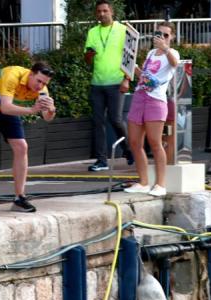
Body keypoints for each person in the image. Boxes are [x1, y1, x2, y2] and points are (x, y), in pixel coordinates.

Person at [0, 62, 56, 214]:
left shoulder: (42, 89)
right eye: (38, 81)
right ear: (31, 74)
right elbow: (6, 107)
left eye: (44, 83)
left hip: (4, 108)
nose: (40, 86)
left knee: (22, 147)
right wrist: (32, 109)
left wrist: (51, 109)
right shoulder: (12, 76)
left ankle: (19, 197)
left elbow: (47, 117)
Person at [123, 22, 179, 197]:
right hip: (140, 96)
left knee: (155, 142)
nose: (161, 38)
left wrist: (165, 48)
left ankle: (160, 184)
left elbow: (175, 63)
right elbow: (145, 78)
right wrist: (133, 68)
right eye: (158, 34)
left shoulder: (172, 53)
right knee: (134, 141)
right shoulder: (150, 53)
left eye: (166, 35)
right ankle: (143, 182)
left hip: (156, 100)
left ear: (172, 37)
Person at [85, 0, 130, 172]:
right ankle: (101, 160)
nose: (102, 14)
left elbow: (130, 57)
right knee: (97, 122)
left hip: (116, 82)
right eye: (99, 11)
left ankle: (128, 150)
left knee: (116, 119)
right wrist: (89, 55)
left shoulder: (122, 29)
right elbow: (87, 60)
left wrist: (127, 79)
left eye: (105, 10)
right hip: (97, 83)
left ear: (112, 12)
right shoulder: (92, 32)